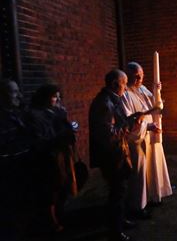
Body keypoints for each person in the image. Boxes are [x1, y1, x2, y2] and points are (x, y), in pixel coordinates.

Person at [89, 69, 142, 241]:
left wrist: (132, 118)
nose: (126, 87)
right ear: (114, 84)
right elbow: (108, 135)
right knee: (116, 192)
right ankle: (115, 230)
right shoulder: (104, 103)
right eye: (124, 83)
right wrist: (129, 124)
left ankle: (121, 220)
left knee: (121, 190)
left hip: (118, 153)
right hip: (111, 157)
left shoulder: (113, 100)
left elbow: (120, 123)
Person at [123, 62, 172, 211]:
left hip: (152, 135)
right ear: (128, 75)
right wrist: (147, 126)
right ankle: (139, 205)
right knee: (140, 173)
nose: (139, 78)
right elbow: (129, 120)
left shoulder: (143, 89)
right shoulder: (125, 94)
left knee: (154, 166)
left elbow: (155, 107)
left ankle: (154, 195)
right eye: (136, 76)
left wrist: (157, 92)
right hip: (138, 139)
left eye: (141, 75)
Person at [28, 84, 77, 233]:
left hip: (61, 155)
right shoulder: (36, 114)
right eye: (54, 96)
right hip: (48, 157)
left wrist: (71, 128)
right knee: (51, 191)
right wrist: (61, 135)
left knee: (62, 187)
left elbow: (65, 129)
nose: (57, 99)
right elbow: (40, 139)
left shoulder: (58, 112)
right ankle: (51, 221)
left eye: (58, 96)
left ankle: (61, 215)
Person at [0, 79, 34, 237]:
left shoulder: (18, 114)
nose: (18, 96)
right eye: (13, 92)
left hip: (21, 171)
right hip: (9, 174)